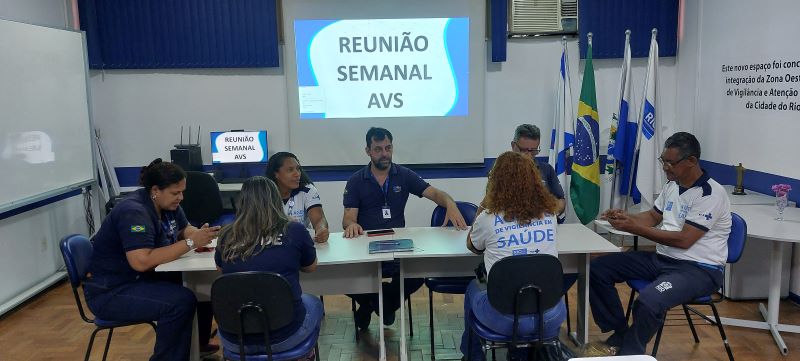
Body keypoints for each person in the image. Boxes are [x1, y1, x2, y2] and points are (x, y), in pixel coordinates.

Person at [590, 132, 732, 356]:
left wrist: (635, 228)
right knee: (598, 268)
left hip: (699, 269)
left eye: (670, 162)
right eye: (662, 160)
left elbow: (685, 240)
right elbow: (653, 216)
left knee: (649, 301)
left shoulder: (711, 194)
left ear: (692, 161)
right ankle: (619, 333)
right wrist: (624, 218)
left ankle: (629, 353)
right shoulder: (673, 184)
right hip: (663, 259)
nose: (665, 167)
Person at [84, 159, 220, 360]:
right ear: (156, 190)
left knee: (202, 286)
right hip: (112, 291)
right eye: (176, 193)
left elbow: (184, 229)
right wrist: (191, 243)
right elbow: (141, 261)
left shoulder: (167, 205)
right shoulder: (134, 212)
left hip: (140, 280)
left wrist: (200, 234)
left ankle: (196, 347)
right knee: (180, 302)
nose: (181, 197)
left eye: (182, 192)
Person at [343, 127, 468, 330]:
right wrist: (352, 224)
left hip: (396, 245)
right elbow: (348, 219)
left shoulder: (403, 175)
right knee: (343, 277)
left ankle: (377, 305)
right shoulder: (356, 180)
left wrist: (451, 204)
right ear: (368, 151)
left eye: (388, 147)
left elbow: (436, 194)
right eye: (378, 149)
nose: (385, 153)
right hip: (365, 248)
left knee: (418, 274)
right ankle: (375, 304)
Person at [460, 151, 566, 361]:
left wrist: (485, 202)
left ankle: (471, 356)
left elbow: (472, 246)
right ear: (535, 181)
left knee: (472, 289)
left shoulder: (488, 219)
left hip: (503, 318)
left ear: (495, 182)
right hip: (550, 315)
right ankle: (527, 352)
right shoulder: (549, 215)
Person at [215, 176, 321, 359]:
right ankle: (304, 355)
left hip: (235, 339)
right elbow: (310, 267)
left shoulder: (226, 235)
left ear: (242, 201)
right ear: (275, 199)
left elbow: (221, 271)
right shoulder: (294, 230)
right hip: (284, 336)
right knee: (313, 302)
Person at [266, 151, 330, 242]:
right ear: (276, 174)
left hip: (301, 242)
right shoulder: (265, 193)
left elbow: (319, 218)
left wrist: (321, 229)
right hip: (273, 243)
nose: (297, 174)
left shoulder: (307, 190)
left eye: (298, 169)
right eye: (290, 170)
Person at [510, 124, 566, 217]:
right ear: (513, 146)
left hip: (542, 224)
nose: (528, 155)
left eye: (533, 151)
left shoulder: (547, 169)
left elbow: (561, 201)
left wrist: (551, 210)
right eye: (524, 150)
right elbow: (490, 204)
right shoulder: (502, 172)